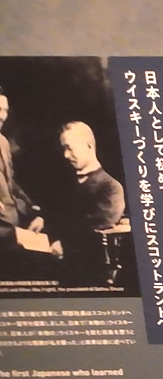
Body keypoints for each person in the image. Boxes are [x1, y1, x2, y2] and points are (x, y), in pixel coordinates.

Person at [52, 121, 125, 283]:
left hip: (94, 274)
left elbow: (97, 227)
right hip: (63, 271)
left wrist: (63, 244)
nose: (66, 155)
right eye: (64, 149)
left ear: (89, 146)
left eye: (70, 148)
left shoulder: (111, 187)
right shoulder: (67, 184)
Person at [0, 85, 47, 257]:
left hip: (15, 229)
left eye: (5, 110)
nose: (2, 116)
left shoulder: (3, 143)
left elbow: (11, 184)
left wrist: (34, 212)